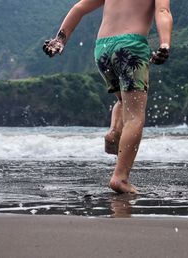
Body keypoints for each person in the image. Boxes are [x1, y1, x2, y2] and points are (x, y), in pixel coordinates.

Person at [43, 0, 173, 194]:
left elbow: (79, 8)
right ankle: (120, 178)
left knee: (124, 100)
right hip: (131, 46)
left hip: (102, 48)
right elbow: (162, 10)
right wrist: (165, 44)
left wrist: (60, 39)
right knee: (135, 116)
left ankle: (114, 131)